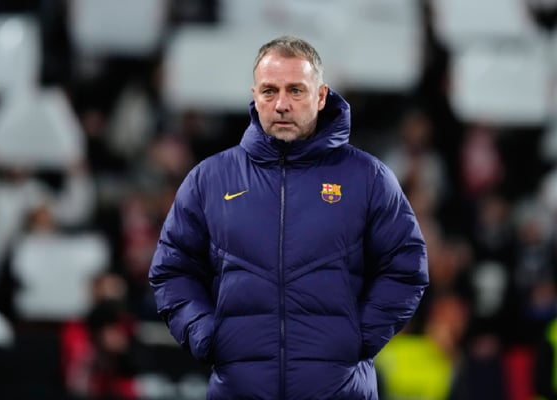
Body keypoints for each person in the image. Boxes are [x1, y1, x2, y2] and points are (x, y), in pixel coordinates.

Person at [149, 35, 429, 400]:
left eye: (296, 90)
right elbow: (172, 270)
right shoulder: (210, 179)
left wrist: (356, 339)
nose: (281, 104)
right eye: (269, 91)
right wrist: (205, 335)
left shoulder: (368, 178)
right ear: (254, 96)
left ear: (321, 96)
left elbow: (406, 266)